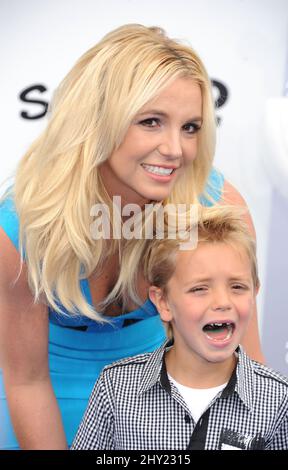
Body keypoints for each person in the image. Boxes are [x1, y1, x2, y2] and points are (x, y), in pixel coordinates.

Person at [0, 24, 263, 450]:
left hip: (163, 396)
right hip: (46, 391)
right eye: (152, 122)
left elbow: (247, 368)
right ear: (99, 121)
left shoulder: (215, 209)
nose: (175, 149)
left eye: (190, 127)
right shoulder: (25, 225)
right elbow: (27, 380)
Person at [72, 206, 288, 450]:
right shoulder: (116, 388)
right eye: (199, 289)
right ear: (163, 302)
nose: (223, 302)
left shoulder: (279, 400)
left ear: (254, 294)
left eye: (237, 287)